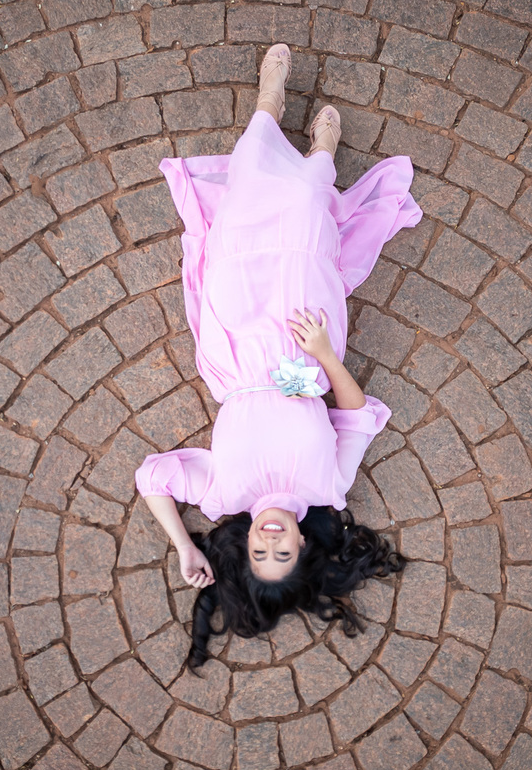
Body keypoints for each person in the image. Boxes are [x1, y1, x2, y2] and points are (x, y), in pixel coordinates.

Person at [133, 44, 421, 666]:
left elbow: (151, 477)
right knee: (304, 228)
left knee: (237, 224)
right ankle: (321, 157)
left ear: (242, 551)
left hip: (234, 343)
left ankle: (268, 104)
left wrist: (186, 547)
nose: (270, 543)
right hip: (305, 342)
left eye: (258, 556)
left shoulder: (221, 497)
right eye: (282, 554)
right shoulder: (329, 487)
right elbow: (354, 411)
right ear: (302, 547)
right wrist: (323, 352)